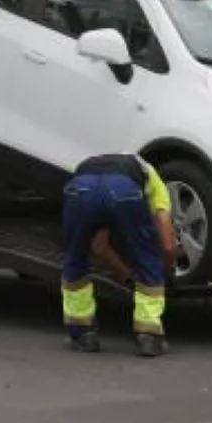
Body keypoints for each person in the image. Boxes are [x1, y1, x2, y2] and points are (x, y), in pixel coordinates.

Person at [60, 153, 178, 357]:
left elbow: (99, 247)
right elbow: (168, 245)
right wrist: (164, 274)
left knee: (75, 257)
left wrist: (127, 277)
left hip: (79, 188)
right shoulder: (154, 181)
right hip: (124, 190)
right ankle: (149, 336)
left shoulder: (99, 164)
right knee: (148, 256)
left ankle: (82, 334)